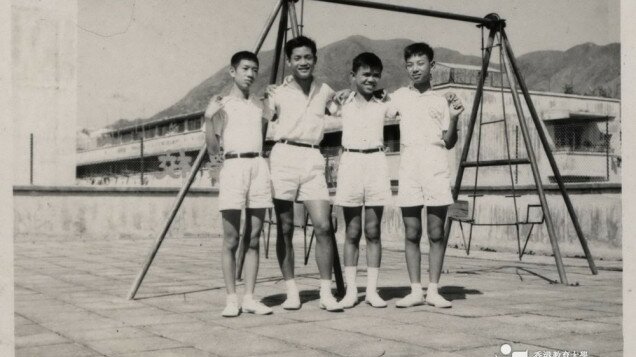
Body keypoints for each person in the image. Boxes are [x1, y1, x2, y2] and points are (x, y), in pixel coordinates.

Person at [264, 35, 342, 312]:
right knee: (285, 228)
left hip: (312, 156)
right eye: (297, 58)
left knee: (323, 225)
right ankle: (292, 291)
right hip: (283, 155)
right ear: (288, 61)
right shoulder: (277, 93)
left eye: (308, 57)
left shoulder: (324, 90)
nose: (303, 62)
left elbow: (342, 110)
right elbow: (262, 120)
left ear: (315, 59)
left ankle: (326, 292)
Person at [390, 42, 464, 308]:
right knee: (411, 232)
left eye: (420, 63)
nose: (414, 69)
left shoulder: (442, 101)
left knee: (435, 232)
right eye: (409, 64)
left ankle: (433, 290)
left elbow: (450, 141)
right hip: (409, 166)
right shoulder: (398, 96)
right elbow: (376, 108)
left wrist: (454, 118)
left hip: (435, 166)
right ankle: (415, 290)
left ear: (432, 66)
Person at [204, 51, 273, 317]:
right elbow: (212, 149)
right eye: (245, 69)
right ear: (232, 71)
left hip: (258, 167)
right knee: (231, 238)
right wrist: (208, 118)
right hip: (233, 167)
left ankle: (250, 298)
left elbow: (264, 135)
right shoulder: (221, 105)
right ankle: (231, 298)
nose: (250, 74)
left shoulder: (259, 104)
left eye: (254, 69)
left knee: (254, 237)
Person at [331, 52, 393, 309]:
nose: (371, 79)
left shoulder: (385, 102)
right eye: (365, 74)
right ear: (353, 76)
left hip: (376, 163)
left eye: (375, 75)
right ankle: (350, 291)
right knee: (353, 232)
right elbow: (320, 101)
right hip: (351, 163)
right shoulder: (341, 102)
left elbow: (407, 103)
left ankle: (371, 291)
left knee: (373, 231)